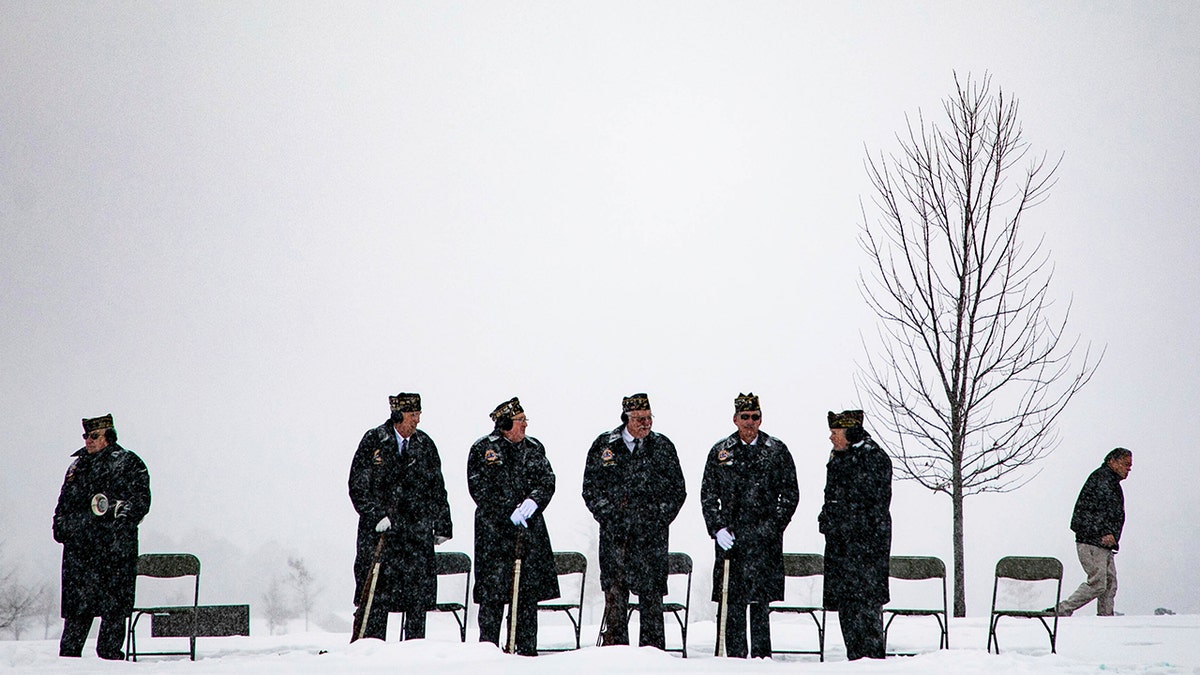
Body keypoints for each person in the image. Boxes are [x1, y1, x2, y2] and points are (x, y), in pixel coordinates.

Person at [583, 393, 687, 650]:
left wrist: (659, 517)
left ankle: (653, 660)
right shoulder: (604, 446)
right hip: (616, 540)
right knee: (616, 601)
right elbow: (591, 490)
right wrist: (611, 517)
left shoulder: (663, 446)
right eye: (640, 418)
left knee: (651, 604)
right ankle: (617, 660)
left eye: (649, 418)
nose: (646, 423)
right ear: (626, 418)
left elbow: (677, 490)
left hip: (651, 539)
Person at [348, 392, 452, 641]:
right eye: (412, 415)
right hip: (382, 536)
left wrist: (442, 524)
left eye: (419, 415)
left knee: (416, 600)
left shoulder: (424, 445)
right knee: (376, 598)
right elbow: (358, 485)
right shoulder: (374, 441)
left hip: (415, 536)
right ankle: (370, 651)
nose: (417, 421)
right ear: (397, 415)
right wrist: (376, 516)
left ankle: (414, 654)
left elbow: (437, 488)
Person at [701, 393, 799, 658]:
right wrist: (717, 528)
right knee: (731, 603)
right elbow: (708, 495)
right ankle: (733, 660)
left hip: (763, 539)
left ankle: (761, 659)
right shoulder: (721, 452)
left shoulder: (776, 450)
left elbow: (790, 495)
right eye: (744, 417)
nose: (750, 422)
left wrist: (774, 526)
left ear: (761, 419)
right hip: (731, 539)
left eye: (755, 417)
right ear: (735, 419)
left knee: (760, 604)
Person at [52, 414, 151, 660]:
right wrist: (63, 528)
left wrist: (118, 514)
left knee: (112, 624)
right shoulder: (77, 467)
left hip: (114, 555)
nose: (88, 441)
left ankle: (111, 668)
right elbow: (62, 507)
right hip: (80, 557)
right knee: (72, 638)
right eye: (86, 436)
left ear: (109, 436)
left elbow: (141, 501)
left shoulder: (129, 463)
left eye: (94, 436)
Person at [467, 397, 560, 655]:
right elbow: (480, 489)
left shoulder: (534, 448)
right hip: (494, 535)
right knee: (493, 598)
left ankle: (526, 652)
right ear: (505, 424)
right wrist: (507, 511)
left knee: (526, 598)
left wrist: (534, 501)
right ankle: (488, 653)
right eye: (520, 421)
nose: (525, 426)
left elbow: (547, 480)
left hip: (529, 533)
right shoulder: (484, 449)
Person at [818, 409, 892, 661]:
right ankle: (854, 658)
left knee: (866, 610)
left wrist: (843, 520)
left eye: (835, 432)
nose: (831, 437)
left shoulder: (874, 458)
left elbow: (872, 505)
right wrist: (826, 517)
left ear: (850, 432)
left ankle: (871, 660)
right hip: (841, 548)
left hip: (865, 551)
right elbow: (833, 496)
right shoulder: (838, 457)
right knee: (847, 608)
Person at [1054, 447, 1133, 617]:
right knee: (1099, 583)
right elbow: (1092, 512)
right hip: (1093, 541)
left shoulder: (1107, 481)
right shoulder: (1102, 480)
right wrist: (1104, 533)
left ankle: (1106, 617)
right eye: (1126, 464)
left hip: (1100, 542)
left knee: (1109, 583)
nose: (1129, 469)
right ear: (1112, 461)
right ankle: (1062, 610)